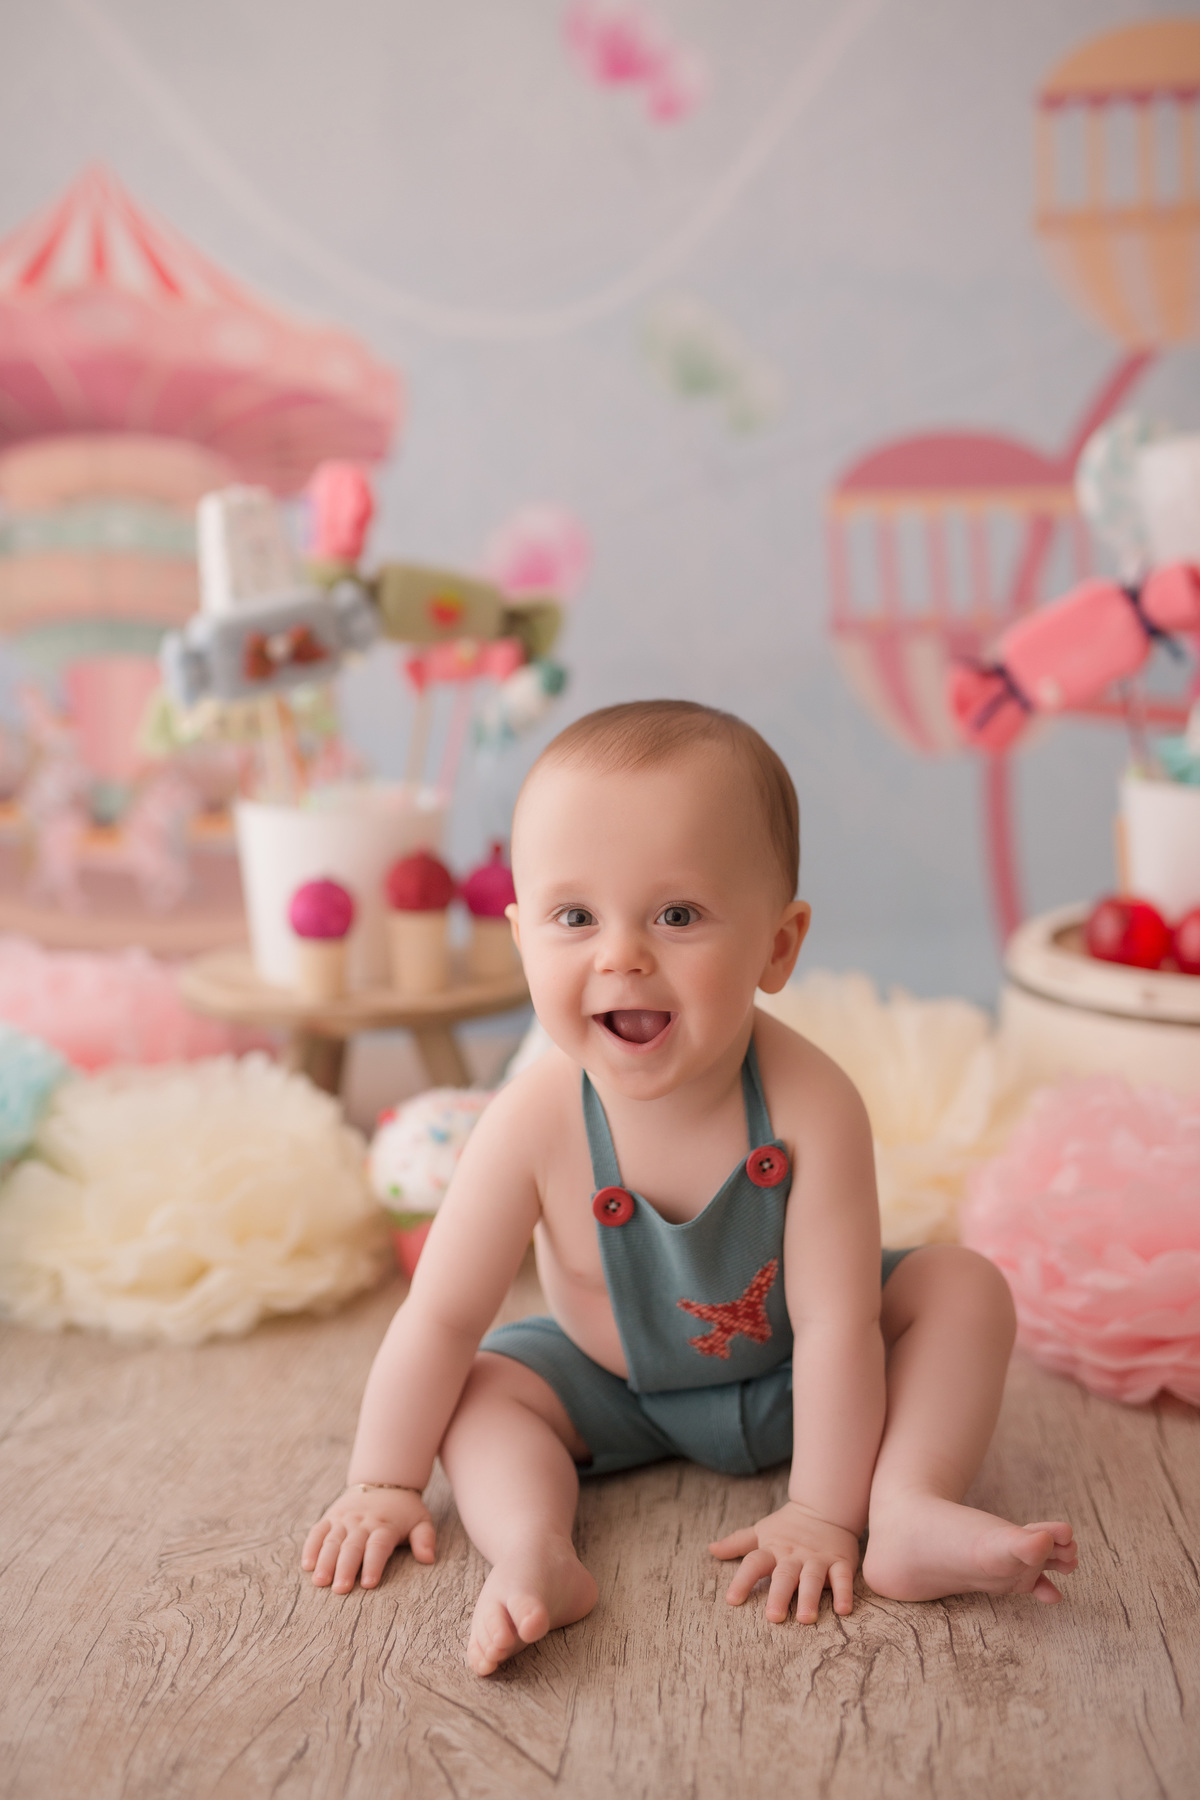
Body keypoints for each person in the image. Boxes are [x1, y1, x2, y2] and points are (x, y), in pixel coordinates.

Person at [303, 700, 1076, 1676]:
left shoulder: (810, 1103)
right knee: (483, 1388)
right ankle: (535, 1547)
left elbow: (838, 1327)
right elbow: (442, 1317)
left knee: (961, 1289)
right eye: (574, 917)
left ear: (777, 947)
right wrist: (383, 1479)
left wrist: (819, 1512)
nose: (621, 954)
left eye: (677, 915)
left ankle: (907, 1505)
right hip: (612, 1388)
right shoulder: (533, 1122)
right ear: (521, 939)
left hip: (800, 1379)